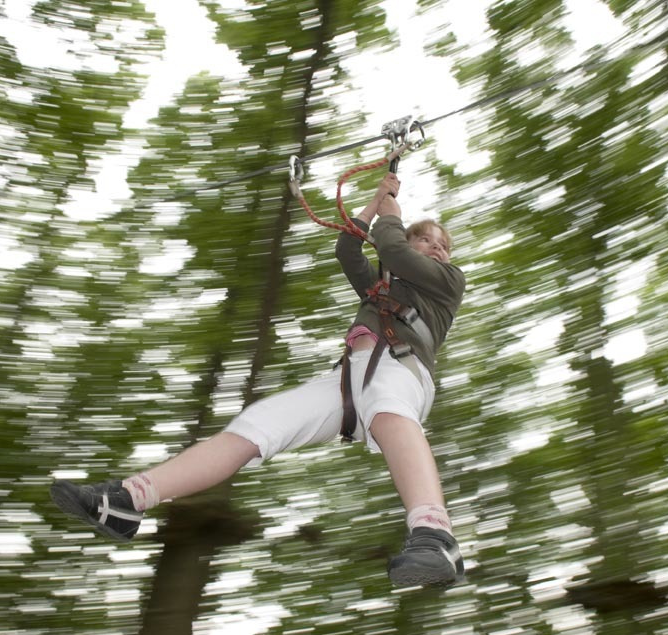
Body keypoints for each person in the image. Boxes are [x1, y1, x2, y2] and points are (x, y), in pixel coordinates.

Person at [50, 173, 466, 587]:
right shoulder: (381, 286)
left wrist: (391, 215)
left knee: (389, 410)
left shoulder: (447, 283)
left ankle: (435, 535)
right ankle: (130, 500)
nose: (437, 248)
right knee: (257, 424)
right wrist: (377, 200)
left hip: (400, 369)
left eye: (442, 244)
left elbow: (392, 249)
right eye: (426, 240)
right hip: (349, 381)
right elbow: (347, 249)